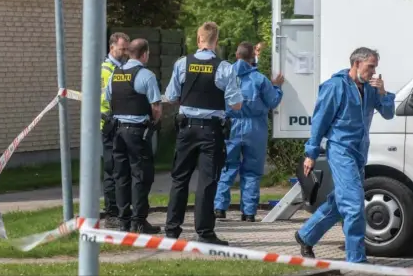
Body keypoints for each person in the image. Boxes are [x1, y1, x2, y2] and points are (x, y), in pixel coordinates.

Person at [295, 47, 395, 263]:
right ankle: (356, 260)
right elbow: (320, 121)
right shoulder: (335, 87)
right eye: (370, 67)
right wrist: (310, 153)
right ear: (356, 64)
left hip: (359, 152)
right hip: (340, 150)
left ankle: (306, 235)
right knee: (354, 204)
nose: (373, 72)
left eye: (375, 67)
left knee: (340, 202)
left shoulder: (370, 89)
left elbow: (388, 114)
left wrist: (384, 94)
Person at [164, 22, 243, 246]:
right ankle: (205, 233)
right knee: (207, 183)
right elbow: (236, 104)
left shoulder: (182, 63)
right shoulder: (224, 67)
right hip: (211, 131)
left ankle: (171, 231)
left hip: (186, 129)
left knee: (180, 180)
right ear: (215, 42)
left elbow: (171, 96)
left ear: (199, 40)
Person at [214, 42, 284, 222]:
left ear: (236, 55)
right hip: (255, 127)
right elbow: (273, 101)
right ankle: (249, 212)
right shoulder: (260, 79)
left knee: (227, 166)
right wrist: (277, 86)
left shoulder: (225, 76)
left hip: (231, 125)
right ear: (253, 57)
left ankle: (219, 208)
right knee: (252, 171)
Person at [105, 38, 162, 234]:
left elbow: (108, 99)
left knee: (121, 176)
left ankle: (123, 221)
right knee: (141, 176)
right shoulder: (146, 75)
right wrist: (154, 122)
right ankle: (138, 221)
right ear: (145, 54)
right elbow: (156, 107)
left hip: (117, 132)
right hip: (137, 132)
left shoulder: (114, 74)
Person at [101, 32, 130, 228]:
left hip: (120, 123)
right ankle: (111, 212)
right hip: (109, 124)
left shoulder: (121, 68)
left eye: (127, 49)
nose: (125, 52)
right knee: (111, 169)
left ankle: (122, 210)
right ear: (112, 47)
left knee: (122, 169)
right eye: (122, 49)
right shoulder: (107, 70)